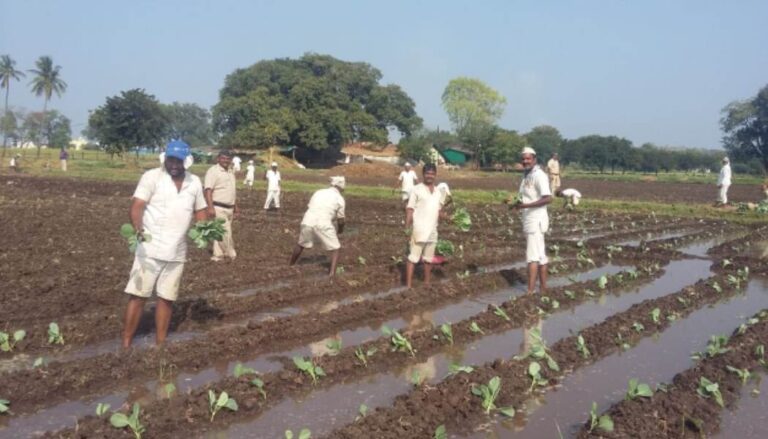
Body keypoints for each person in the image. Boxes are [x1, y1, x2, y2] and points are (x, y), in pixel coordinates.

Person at [121, 140, 207, 348]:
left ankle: (160, 343)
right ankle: (126, 343)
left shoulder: (194, 182)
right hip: (149, 249)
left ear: (186, 161)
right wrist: (138, 227)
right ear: (165, 159)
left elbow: (200, 210)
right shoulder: (152, 177)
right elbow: (137, 206)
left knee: (167, 298)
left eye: (178, 161)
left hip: (177, 250)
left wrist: (202, 231)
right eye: (171, 160)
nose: (174, 164)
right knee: (138, 296)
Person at [509, 147, 552, 295]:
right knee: (540, 255)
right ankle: (544, 289)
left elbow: (548, 198)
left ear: (534, 159)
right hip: (529, 219)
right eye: (523, 159)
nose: (525, 161)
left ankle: (530, 291)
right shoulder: (526, 175)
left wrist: (525, 205)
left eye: (528, 158)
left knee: (532, 256)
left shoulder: (539, 175)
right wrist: (515, 203)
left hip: (536, 220)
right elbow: (526, 197)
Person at [290, 176, 346, 276]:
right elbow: (341, 220)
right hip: (323, 222)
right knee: (336, 248)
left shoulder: (319, 192)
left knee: (301, 244)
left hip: (308, 220)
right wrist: (340, 230)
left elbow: (311, 207)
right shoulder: (340, 199)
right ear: (341, 186)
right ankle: (332, 274)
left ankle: (291, 265)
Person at [405, 163, 445, 288]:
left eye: (432, 174)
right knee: (413, 258)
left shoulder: (439, 191)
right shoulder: (416, 189)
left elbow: (439, 211)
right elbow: (410, 209)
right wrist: (407, 227)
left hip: (433, 229)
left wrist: (451, 218)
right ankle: (408, 286)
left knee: (429, 258)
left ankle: (426, 283)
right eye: (427, 173)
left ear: (435, 175)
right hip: (419, 229)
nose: (430, 176)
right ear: (423, 174)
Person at [204, 150, 238, 262]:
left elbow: (232, 190)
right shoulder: (213, 171)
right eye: (223, 158)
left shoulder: (230, 171)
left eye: (228, 159)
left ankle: (218, 255)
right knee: (225, 232)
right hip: (218, 206)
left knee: (219, 232)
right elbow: (208, 190)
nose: (225, 161)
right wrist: (210, 207)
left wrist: (235, 205)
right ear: (218, 159)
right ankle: (231, 253)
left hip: (230, 207)